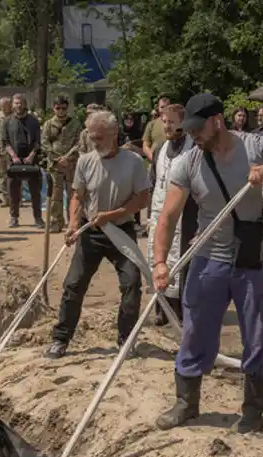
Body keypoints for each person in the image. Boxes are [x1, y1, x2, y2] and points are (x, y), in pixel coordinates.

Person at [151, 93, 263, 434]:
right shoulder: (189, 162)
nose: (193, 135)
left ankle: (253, 411)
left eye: (198, 128)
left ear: (217, 121)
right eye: (189, 129)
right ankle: (186, 403)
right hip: (208, 259)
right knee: (195, 332)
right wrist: (159, 264)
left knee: (257, 336)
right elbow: (167, 217)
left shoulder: (256, 146)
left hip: (251, 261)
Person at [45, 110, 151, 359]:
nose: (94, 142)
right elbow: (77, 196)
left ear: (114, 134)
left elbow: (142, 199)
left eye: (99, 138)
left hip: (121, 231)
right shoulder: (85, 161)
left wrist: (111, 215)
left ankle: (126, 339)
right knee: (74, 284)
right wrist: (72, 223)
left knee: (131, 282)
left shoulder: (134, 162)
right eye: (92, 138)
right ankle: (60, 339)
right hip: (90, 231)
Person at [148, 103, 197, 326]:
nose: (167, 126)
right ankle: (161, 307)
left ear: (182, 124)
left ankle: (180, 309)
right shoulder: (159, 149)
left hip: (184, 213)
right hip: (159, 210)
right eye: (164, 122)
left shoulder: (193, 149)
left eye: (171, 122)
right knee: (157, 258)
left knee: (181, 259)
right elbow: (153, 181)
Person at [2, 93, 44, 228]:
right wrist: (13, 156)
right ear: (12, 105)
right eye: (16, 103)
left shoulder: (34, 121)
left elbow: (38, 141)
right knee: (13, 190)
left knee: (35, 191)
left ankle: (38, 218)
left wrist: (32, 155)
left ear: (25, 104)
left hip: (31, 160)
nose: (18, 105)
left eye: (21, 103)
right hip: (13, 160)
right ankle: (14, 217)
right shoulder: (7, 121)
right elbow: (5, 141)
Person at [41, 96, 81, 233]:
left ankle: (72, 222)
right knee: (55, 196)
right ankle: (55, 222)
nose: (61, 111)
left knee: (72, 194)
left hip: (71, 164)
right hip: (55, 164)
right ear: (54, 108)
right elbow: (45, 143)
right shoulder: (48, 124)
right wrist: (58, 159)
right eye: (58, 108)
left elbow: (78, 143)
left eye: (64, 108)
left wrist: (67, 158)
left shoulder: (75, 124)